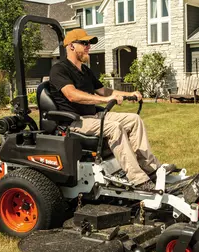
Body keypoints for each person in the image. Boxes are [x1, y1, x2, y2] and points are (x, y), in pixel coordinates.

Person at [49, 29, 174, 192]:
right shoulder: (59, 69)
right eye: (85, 43)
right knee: (114, 127)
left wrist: (130, 94)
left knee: (134, 120)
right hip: (74, 121)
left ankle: (150, 168)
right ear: (71, 46)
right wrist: (104, 100)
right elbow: (72, 95)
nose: (89, 47)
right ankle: (138, 179)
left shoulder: (85, 70)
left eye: (89, 44)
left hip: (93, 115)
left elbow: (104, 91)